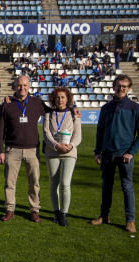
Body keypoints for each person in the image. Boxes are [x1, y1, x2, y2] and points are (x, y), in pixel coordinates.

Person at [91, 75, 139, 233]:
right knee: (106, 186)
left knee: (127, 187)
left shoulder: (135, 108)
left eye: (124, 86)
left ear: (129, 89)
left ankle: (130, 220)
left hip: (124, 155)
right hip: (107, 154)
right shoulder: (106, 108)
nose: (121, 88)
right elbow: (100, 132)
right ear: (113, 87)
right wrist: (97, 152)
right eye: (118, 85)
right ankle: (104, 216)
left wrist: (131, 152)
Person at [0, 75, 51, 223]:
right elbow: (0, 129)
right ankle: (10, 209)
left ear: (29, 87)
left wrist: (72, 110)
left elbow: (54, 111)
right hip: (12, 149)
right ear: (14, 86)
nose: (22, 88)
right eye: (19, 85)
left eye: (25, 85)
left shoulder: (37, 102)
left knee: (34, 181)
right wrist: (0, 150)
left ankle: (34, 210)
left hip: (32, 150)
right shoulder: (7, 104)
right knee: (9, 182)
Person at [44, 87, 82, 226]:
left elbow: (78, 135)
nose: (60, 100)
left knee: (65, 184)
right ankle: (56, 212)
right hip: (52, 152)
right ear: (53, 99)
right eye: (57, 97)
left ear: (68, 99)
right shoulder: (49, 114)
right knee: (53, 184)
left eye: (63, 97)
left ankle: (64, 214)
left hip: (69, 153)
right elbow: (46, 134)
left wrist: (71, 145)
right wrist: (56, 145)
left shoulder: (73, 114)